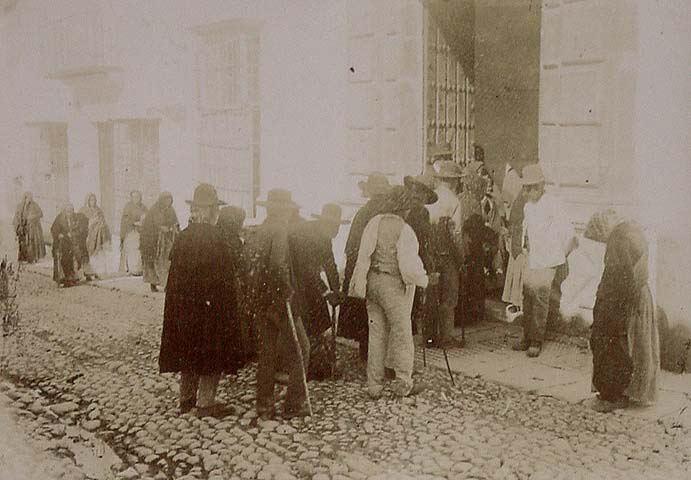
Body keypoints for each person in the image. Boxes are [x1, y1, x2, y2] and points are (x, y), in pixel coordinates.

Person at [159, 183, 244, 418]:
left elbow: (173, 272)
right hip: (209, 309)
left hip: (184, 308)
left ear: (196, 210)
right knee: (210, 352)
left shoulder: (183, 237)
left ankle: (186, 399)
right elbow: (226, 276)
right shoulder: (218, 238)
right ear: (212, 211)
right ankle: (205, 402)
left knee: (188, 349)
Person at [349, 186, 435, 398]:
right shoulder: (404, 229)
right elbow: (408, 265)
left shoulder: (374, 223)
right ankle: (404, 382)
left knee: (376, 334)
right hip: (392, 284)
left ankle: (374, 386)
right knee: (402, 334)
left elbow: (363, 256)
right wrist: (425, 280)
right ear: (405, 207)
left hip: (373, 281)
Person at [587, 209, 659, 412]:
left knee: (616, 344)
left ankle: (615, 396)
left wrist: (607, 306)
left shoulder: (618, 239)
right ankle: (630, 391)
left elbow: (618, 277)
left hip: (625, 299)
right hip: (639, 296)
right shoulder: (631, 230)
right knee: (637, 345)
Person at [250, 189, 310, 420]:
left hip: (261, 299)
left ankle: (264, 405)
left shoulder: (260, 229)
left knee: (267, 353)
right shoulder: (279, 230)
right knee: (301, 348)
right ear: (283, 210)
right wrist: (288, 289)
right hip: (279, 300)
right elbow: (277, 264)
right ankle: (294, 404)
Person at [512, 164, 575, 358]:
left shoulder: (553, 203)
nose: (528, 192)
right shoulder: (528, 206)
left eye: (531, 188)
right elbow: (526, 231)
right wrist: (524, 250)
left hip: (548, 260)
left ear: (540, 186)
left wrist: (559, 256)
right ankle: (526, 335)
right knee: (527, 297)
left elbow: (569, 234)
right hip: (533, 258)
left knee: (540, 299)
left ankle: (536, 340)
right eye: (526, 188)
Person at [289, 203, 349, 380]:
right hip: (295, 282)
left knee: (318, 318)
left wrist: (336, 289)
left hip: (308, 283)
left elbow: (330, 265)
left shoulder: (324, 237)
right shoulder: (306, 235)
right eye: (333, 225)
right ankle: (309, 365)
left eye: (337, 226)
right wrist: (326, 292)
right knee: (311, 320)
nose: (336, 229)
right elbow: (307, 272)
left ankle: (316, 361)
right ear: (324, 222)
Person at [340, 173, 393, 362]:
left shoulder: (363, 213)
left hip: (362, 269)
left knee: (365, 312)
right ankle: (376, 357)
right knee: (379, 313)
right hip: (378, 268)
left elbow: (351, 247)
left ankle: (366, 352)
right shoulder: (387, 214)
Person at [426, 160, 464, 348]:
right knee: (449, 296)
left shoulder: (430, 198)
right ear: (454, 181)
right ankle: (446, 337)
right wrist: (461, 256)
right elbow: (456, 233)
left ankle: (429, 336)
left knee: (431, 294)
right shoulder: (455, 201)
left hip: (429, 252)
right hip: (446, 253)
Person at [217, 206, 255, 361]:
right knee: (238, 317)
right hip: (233, 284)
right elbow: (241, 264)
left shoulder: (217, 235)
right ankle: (239, 352)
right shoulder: (233, 241)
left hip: (221, 285)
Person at [402, 174, 437, 339]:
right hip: (414, 259)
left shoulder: (404, 207)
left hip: (402, 258)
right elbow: (423, 241)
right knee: (412, 302)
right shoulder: (421, 212)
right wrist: (428, 265)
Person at [141, 192, 179, 292]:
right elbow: (149, 225)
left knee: (167, 262)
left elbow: (175, 222)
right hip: (154, 241)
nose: (168, 202)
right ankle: (153, 284)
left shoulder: (171, 210)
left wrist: (173, 228)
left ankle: (167, 284)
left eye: (169, 200)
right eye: (166, 200)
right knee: (154, 262)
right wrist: (160, 228)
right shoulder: (154, 210)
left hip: (167, 240)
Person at [80, 193, 112, 280]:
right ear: (87, 201)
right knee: (89, 254)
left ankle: (99, 273)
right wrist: (92, 222)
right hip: (89, 236)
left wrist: (102, 224)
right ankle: (88, 274)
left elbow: (104, 221)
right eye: (91, 200)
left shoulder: (99, 210)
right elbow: (81, 224)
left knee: (99, 254)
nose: (92, 202)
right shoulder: (83, 211)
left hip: (99, 237)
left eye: (94, 200)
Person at [50, 203, 82, 287]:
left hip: (72, 243)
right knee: (63, 259)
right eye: (68, 211)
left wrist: (73, 234)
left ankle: (72, 278)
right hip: (61, 243)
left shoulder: (75, 219)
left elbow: (79, 230)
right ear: (65, 211)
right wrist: (59, 234)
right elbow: (53, 229)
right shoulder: (59, 218)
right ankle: (62, 279)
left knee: (74, 258)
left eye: (71, 210)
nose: (70, 213)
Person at [13, 192, 46, 264]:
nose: (29, 199)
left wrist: (33, 217)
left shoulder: (34, 205)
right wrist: (18, 226)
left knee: (31, 243)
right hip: (23, 228)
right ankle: (23, 259)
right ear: (24, 198)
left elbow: (41, 214)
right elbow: (16, 216)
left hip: (32, 228)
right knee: (23, 244)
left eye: (30, 198)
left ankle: (32, 259)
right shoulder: (20, 206)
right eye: (27, 197)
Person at [119, 191, 147, 276]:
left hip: (141, 231)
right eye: (134, 197)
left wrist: (144, 221)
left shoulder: (143, 207)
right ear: (131, 198)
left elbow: (148, 216)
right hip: (131, 231)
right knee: (132, 250)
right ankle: (131, 269)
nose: (136, 199)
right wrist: (134, 223)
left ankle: (139, 269)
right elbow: (125, 219)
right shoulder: (128, 207)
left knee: (139, 250)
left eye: (138, 197)